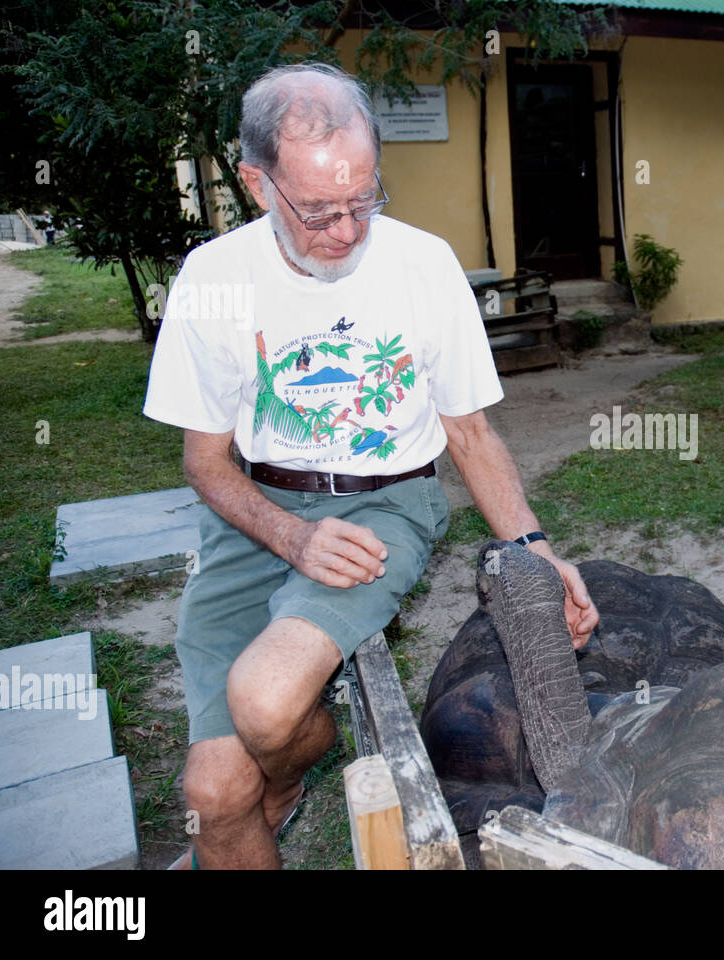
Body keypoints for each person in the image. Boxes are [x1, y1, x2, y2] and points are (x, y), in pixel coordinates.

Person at [143, 62, 598, 870]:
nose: (347, 231)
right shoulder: (212, 281)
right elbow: (206, 464)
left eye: (364, 200)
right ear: (256, 184)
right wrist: (291, 538)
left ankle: (282, 780)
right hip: (254, 515)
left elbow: (471, 434)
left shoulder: (423, 266)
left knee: (265, 699)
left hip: (385, 504)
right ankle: (270, 778)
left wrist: (536, 552)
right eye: (318, 209)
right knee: (213, 796)